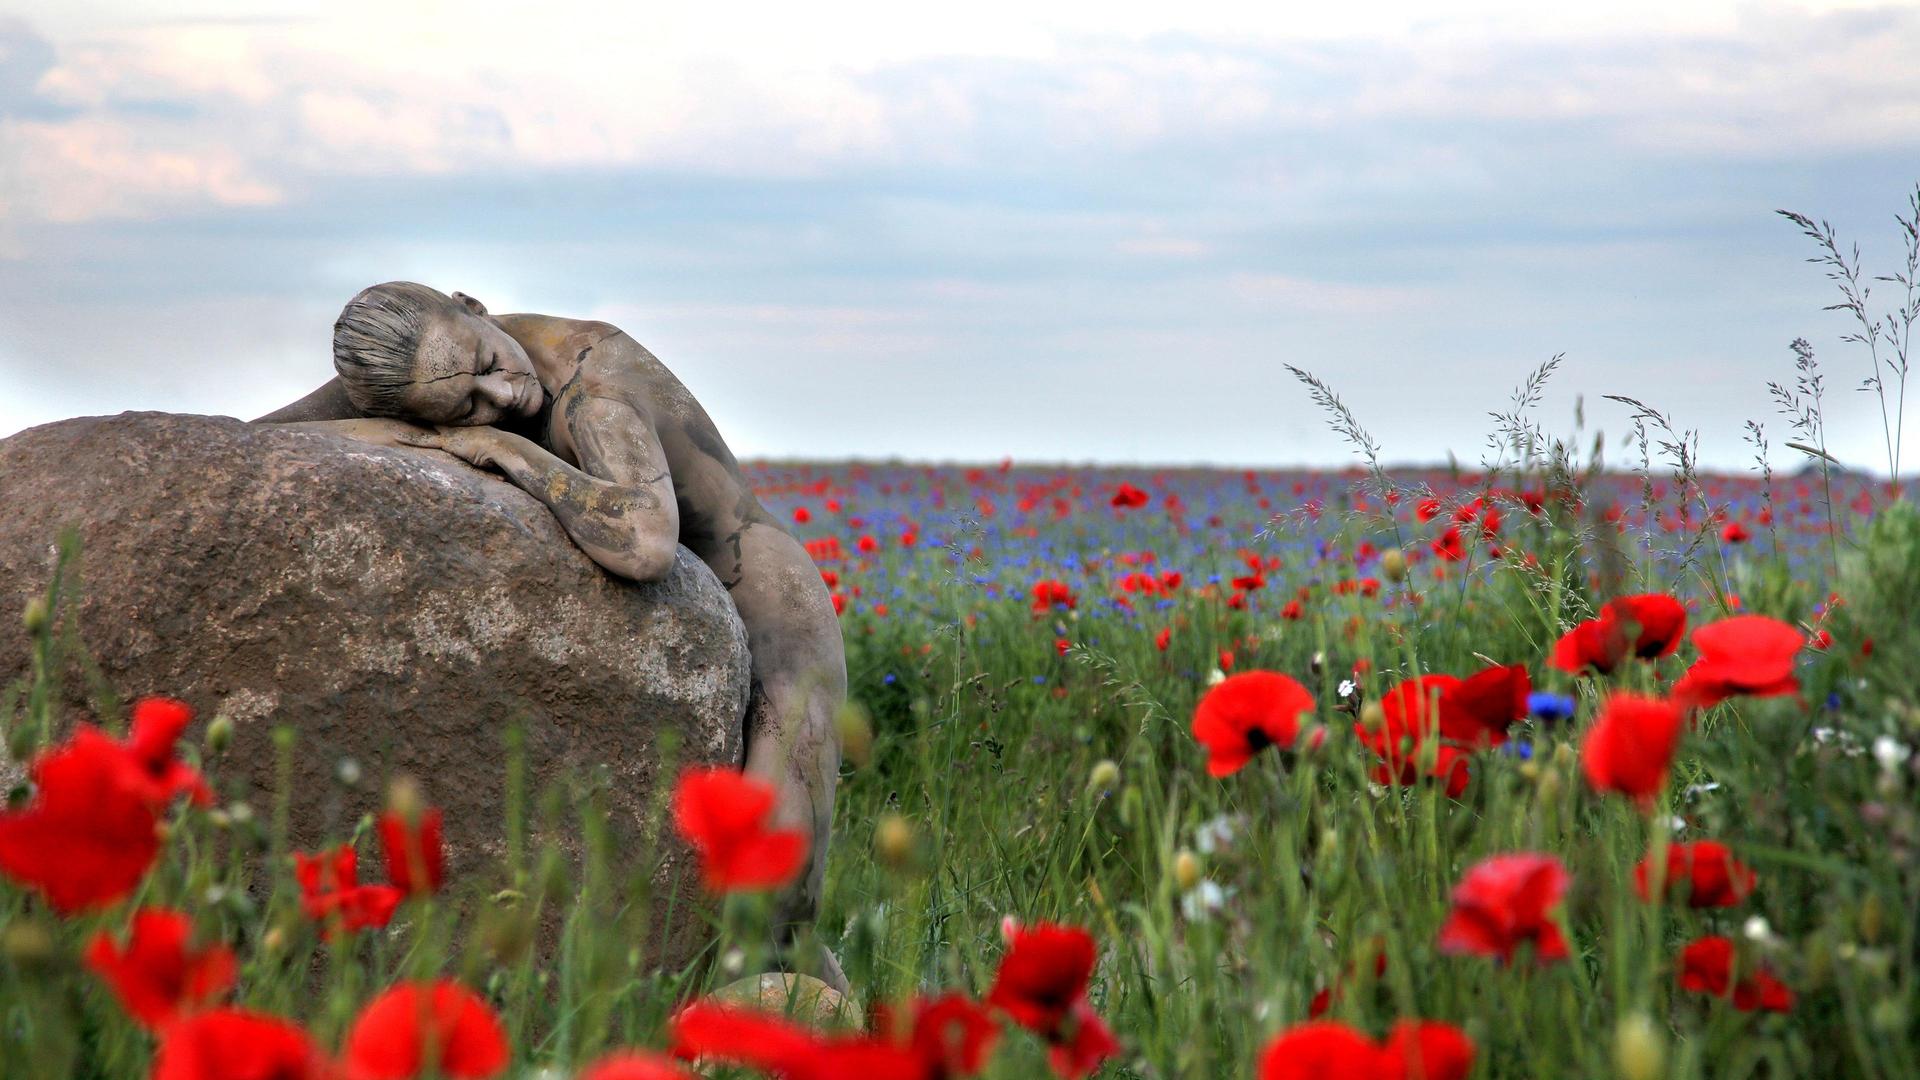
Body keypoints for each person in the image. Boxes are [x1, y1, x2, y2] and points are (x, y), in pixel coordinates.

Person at [258, 282, 846, 985]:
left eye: (486, 364)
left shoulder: (594, 389)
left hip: (779, 625)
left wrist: (506, 452)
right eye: (468, 404)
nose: (500, 396)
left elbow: (646, 542)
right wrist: (420, 433)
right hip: (690, 631)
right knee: (724, 943)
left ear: (472, 305)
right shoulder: (426, 359)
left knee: (770, 924)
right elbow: (264, 434)